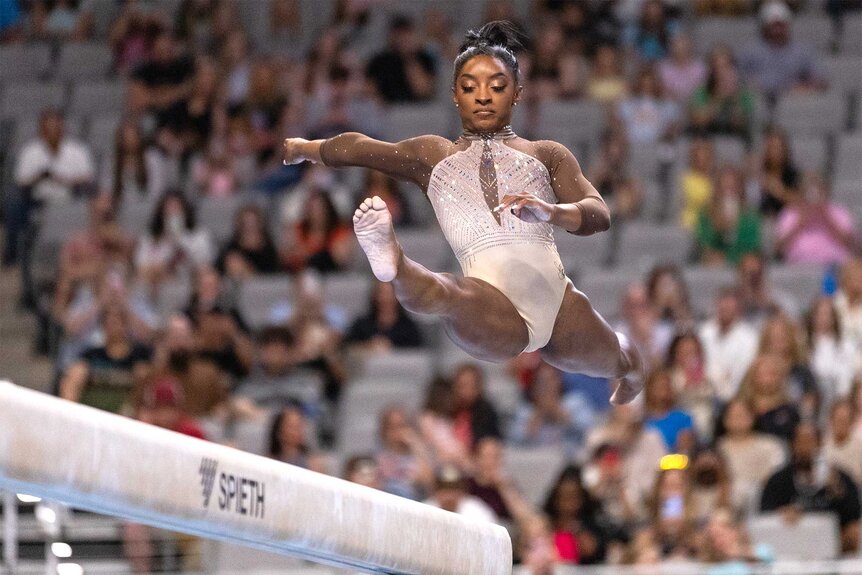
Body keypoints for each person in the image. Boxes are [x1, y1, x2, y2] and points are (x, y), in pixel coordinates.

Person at [283, 21, 644, 405]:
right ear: (455, 95)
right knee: (448, 293)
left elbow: (598, 213)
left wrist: (551, 211)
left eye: (497, 87)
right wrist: (307, 148)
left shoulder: (546, 154)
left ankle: (634, 376)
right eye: (470, 87)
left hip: (559, 305)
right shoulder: (432, 157)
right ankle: (394, 264)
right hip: (489, 302)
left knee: (623, 360)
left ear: (517, 93)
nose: (484, 97)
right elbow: (361, 148)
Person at [760, 421, 860, 555]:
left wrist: (838, 493)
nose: (805, 447)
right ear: (792, 445)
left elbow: (853, 515)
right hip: (791, 540)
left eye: (810, 441)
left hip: (831, 540)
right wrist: (780, 513)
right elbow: (764, 511)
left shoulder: (838, 477)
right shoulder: (779, 479)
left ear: (819, 444)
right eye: (800, 442)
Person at [776, 173, 856, 266]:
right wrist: (800, 221)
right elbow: (779, 248)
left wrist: (826, 216)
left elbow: (849, 243)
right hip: (799, 266)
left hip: (834, 264)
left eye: (818, 189)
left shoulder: (839, 211)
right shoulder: (790, 213)